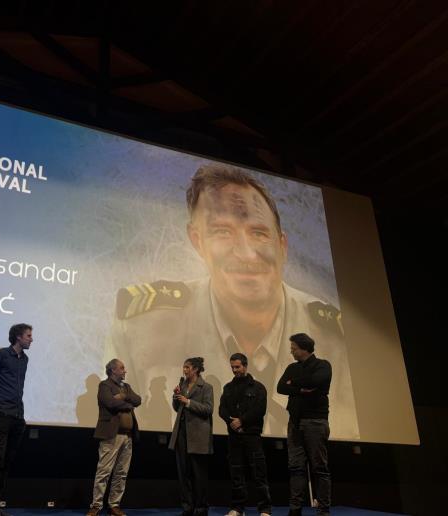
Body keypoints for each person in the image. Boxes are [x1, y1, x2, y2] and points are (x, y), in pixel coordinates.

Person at [107, 163, 358, 439]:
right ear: (197, 241)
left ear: (282, 245)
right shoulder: (141, 328)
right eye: (222, 232)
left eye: (259, 233)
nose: (246, 254)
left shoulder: (339, 340)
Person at [277, 333, 332, 516]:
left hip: (315, 421)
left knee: (319, 467)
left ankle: (323, 510)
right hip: (295, 422)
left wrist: (294, 383)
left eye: (294, 349)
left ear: (304, 349)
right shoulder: (292, 367)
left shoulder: (323, 365)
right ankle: (295, 509)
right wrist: (302, 389)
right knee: (296, 467)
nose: (291, 352)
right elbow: (280, 387)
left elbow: (316, 381)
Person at [0, 323, 33, 516]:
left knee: (7, 460)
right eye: (28, 336)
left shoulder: (25, 359)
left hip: (18, 416)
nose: (31, 339)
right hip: (2, 414)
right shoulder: (2, 355)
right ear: (18, 337)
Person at [86, 359, 142, 516]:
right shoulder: (104, 386)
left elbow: (138, 400)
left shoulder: (126, 387)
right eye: (122, 368)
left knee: (121, 473)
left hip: (127, 436)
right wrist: (128, 403)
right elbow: (110, 403)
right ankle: (96, 505)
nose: (125, 371)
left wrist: (122, 396)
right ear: (113, 370)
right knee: (104, 471)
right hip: (111, 435)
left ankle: (114, 505)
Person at [219, 353, 271, 516]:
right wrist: (231, 422)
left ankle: (265, 509)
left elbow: (260, 410)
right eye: (232, 367)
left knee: (259, 473)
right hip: (234, 437)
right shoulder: (228, 388)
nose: (235, 370)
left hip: (252, 436)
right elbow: (222, 409)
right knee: (236, 474)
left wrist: (242, 421)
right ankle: (237, 508)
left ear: (245, 366)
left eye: (238, 367)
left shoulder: (258, 387)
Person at [169, 357, 214, 516]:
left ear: (195, 369)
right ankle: (187, 507)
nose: (184, 370)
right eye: (184, 367)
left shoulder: (206, 387)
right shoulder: (183, 385)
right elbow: (177, 408)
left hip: (198, 436)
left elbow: (208, 409)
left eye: (187, 367)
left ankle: (200, 508)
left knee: (198, 474)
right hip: (181, 434)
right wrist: (176, 397)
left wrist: (188, 402)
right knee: (184, 473)